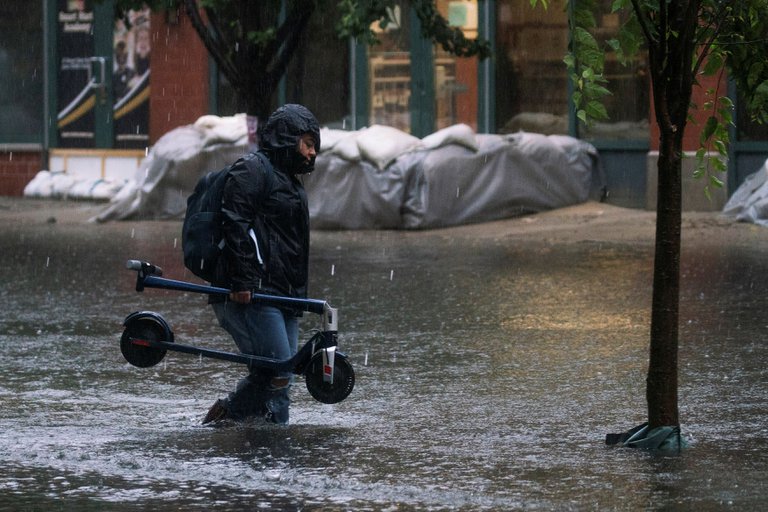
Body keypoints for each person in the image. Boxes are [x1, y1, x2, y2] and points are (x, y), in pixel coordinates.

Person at [202, 104, 320, 425]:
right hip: (253, 294)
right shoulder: (254, 169)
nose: (312, 154)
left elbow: (290, 247)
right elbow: (235, 223)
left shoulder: (292, 183)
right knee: (278, 372)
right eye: (307, 144)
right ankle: (233, 425)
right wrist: (242, 282)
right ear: (288, 138)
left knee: (282, 377)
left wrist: (297, 299)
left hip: (284, 296)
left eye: (314, 147)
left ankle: (260, 441)